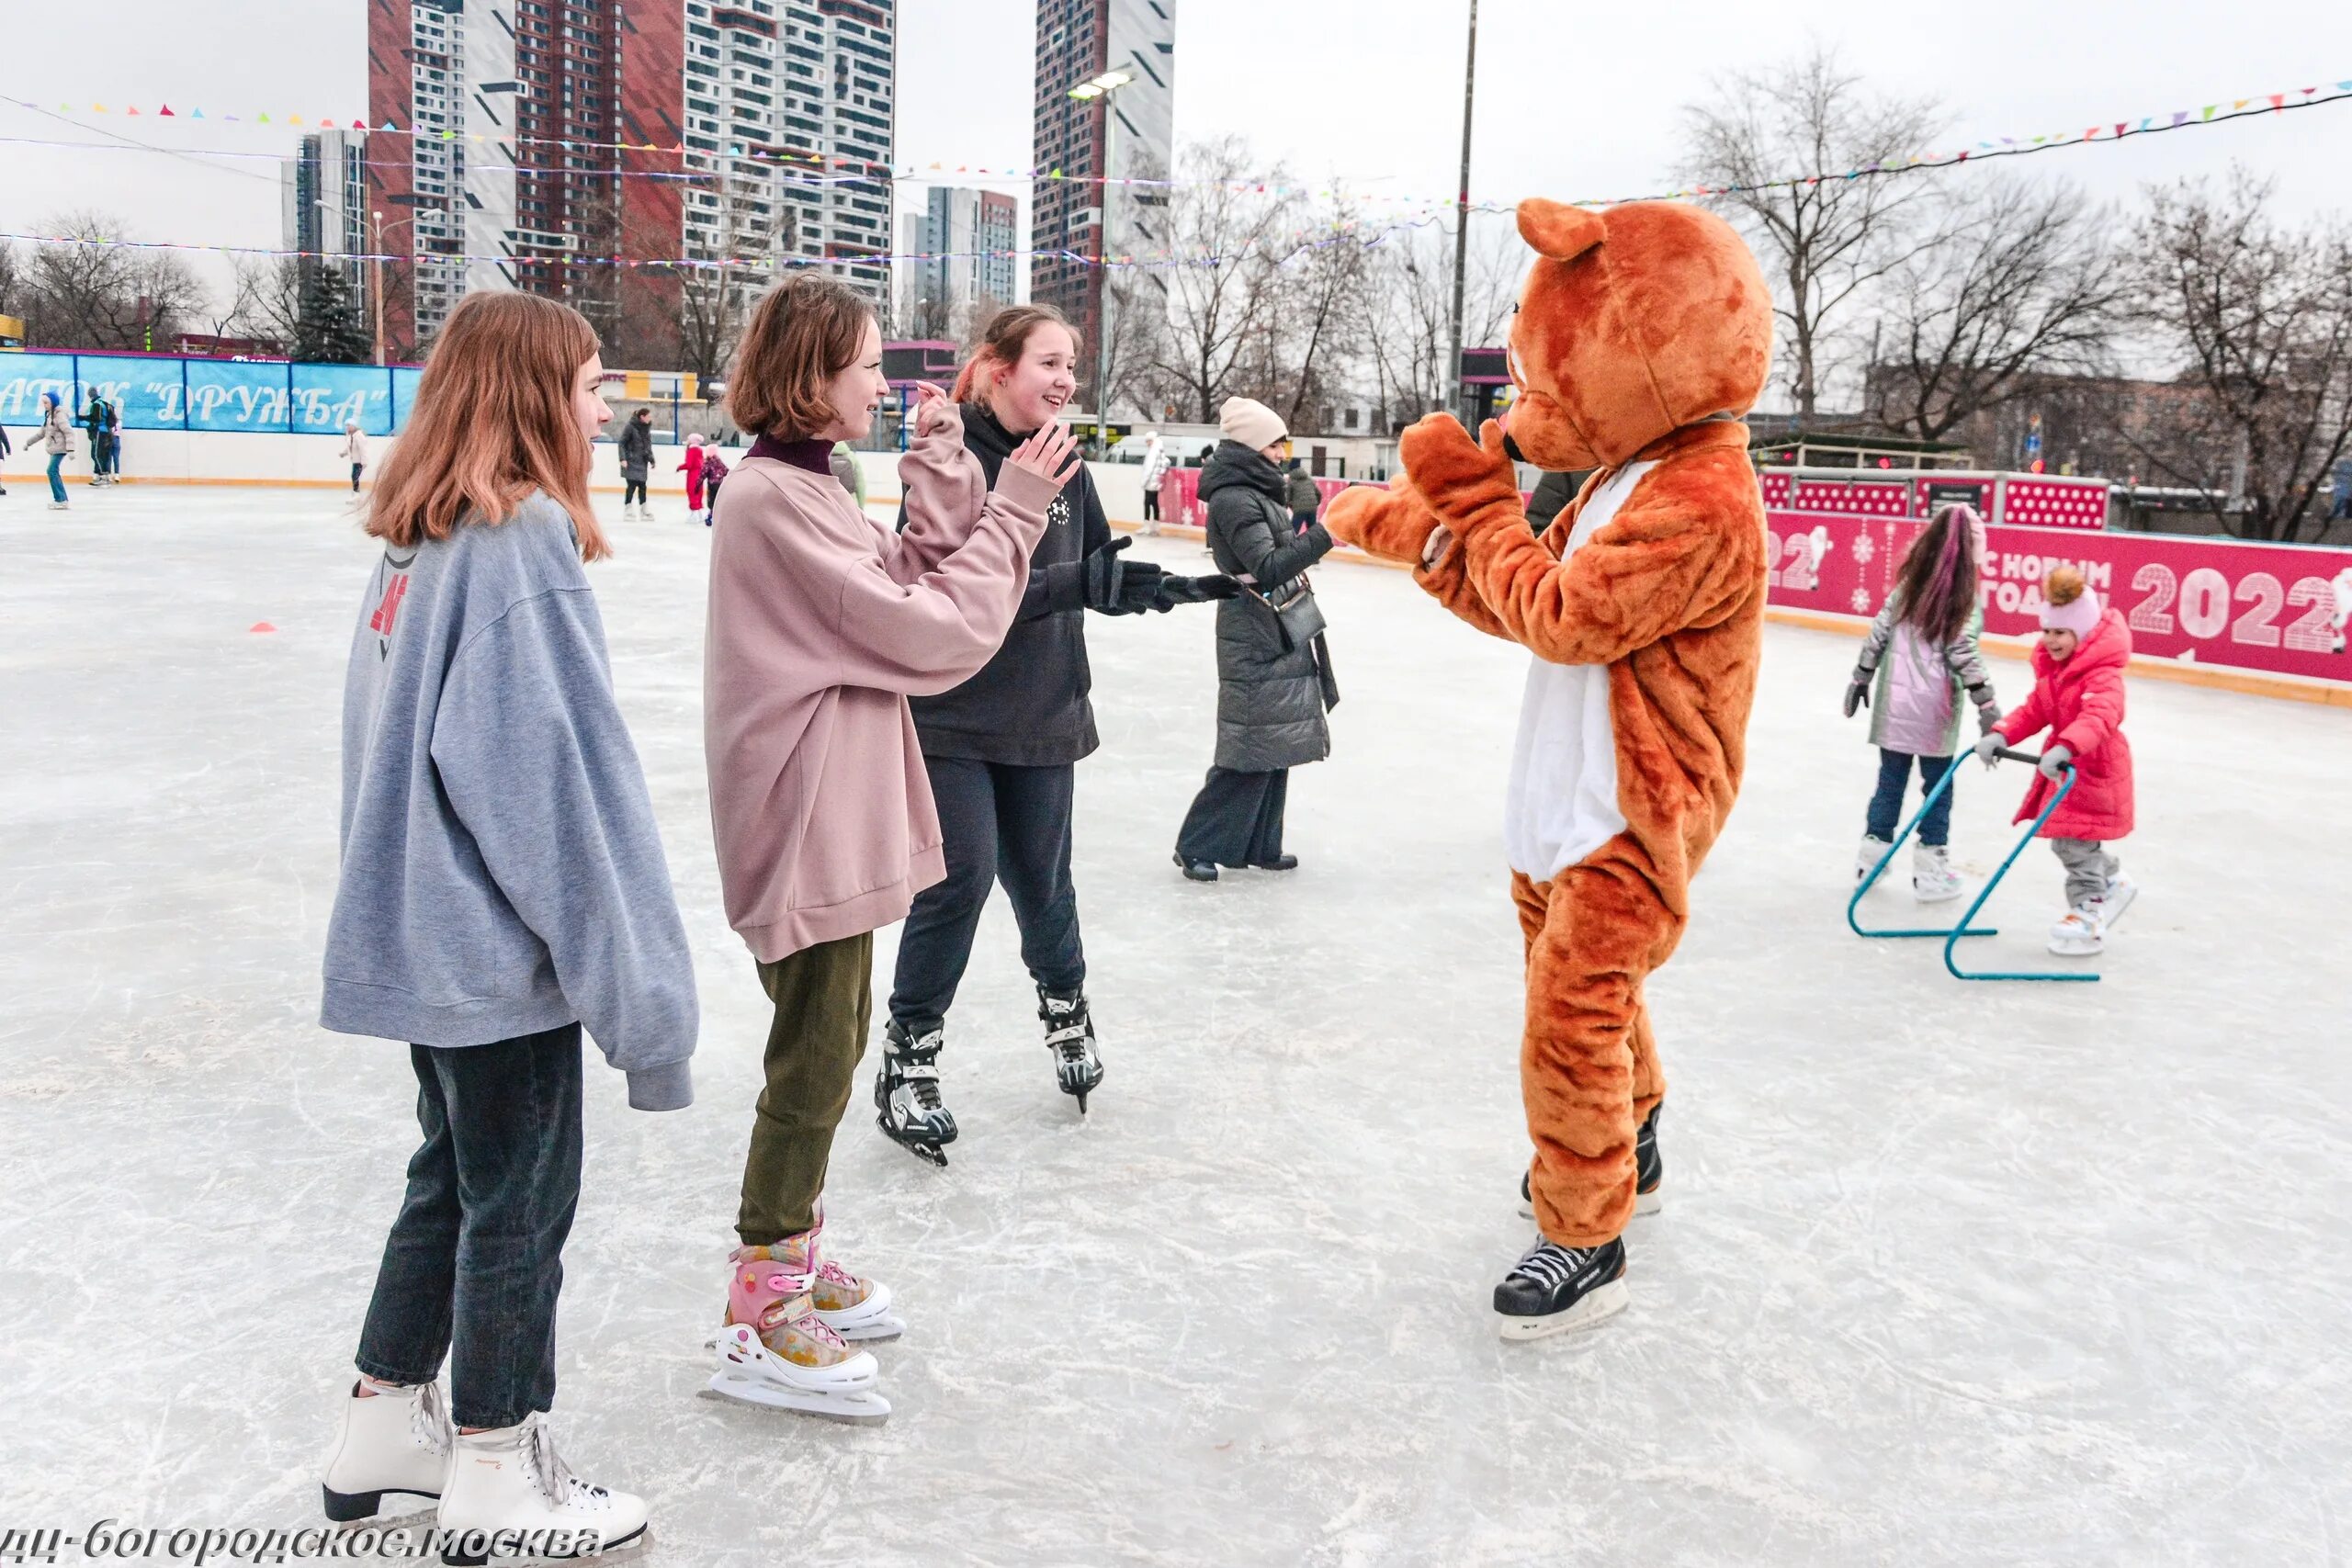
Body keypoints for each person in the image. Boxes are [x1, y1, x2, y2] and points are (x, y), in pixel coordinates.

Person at [314, 291, 696, 1554]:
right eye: (591, 384)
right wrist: (642, 1002)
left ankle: (382, 1419)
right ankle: (494, 1454)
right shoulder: (515, 541)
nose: (607, 409)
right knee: (521, 1198)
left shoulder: (418, 540)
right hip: (488, 953)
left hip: (426, 943)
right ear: (535, 396)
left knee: (458, 1178)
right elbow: (559, 800)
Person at [704, 274, 1076, 1416]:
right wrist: (1014, 505)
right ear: (812, 377)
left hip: (835, 809)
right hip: (802, 814)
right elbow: (928, 635)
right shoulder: (770, 499)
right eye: (866, 364)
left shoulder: (812, 486)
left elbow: (909, 572)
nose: (882, 380)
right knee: (813, 1062)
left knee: (840, 1034)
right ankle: (760, 1305)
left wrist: (947, 471)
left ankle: (798, 1254)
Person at [875, 304, 1235, 1164]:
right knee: (955, 882)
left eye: (1071, 363)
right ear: (996, 368)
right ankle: (908, 1056)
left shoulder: (1065, 462)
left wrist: (1141, 586)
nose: (1065, 378)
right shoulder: (947, 455)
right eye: (1048, 361)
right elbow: (954, 585)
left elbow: (1088, 572)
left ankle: (1066, 1008)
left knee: (1043, 886)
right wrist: (1078, 582)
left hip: (1043, 708)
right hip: (951, 711)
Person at [1174, 398, 1338, 881]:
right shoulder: (1234, 497)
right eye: (1273, 442)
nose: (1281, 451)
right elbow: (1267, 569)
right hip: (1252, 627)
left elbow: (1280, 554)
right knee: (1248, 744)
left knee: (1276, 743)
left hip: (1276, 623)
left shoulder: (1262, 492)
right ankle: (1195, 845)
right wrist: (1328, 534)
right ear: (1249, 445)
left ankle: (1261, 844)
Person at [1973, 564, 2137, 955]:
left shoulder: (2103, 675)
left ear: (2083, 633)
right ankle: (2112, 881)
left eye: (2061, 632)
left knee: (2074, 844)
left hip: (2093, 770)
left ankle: (2089, 912)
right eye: (2046, 630)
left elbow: (2100, 716)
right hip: (2068, 769)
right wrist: (2001, 733)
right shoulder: (2056, 673)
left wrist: (2067, 745)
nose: (2051, 639)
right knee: (2071, 842)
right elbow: (2035, 710)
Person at [1844, 503, 1999, 900]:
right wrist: (1986, 703)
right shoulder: (1963, 599)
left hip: (1893, 709)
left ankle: (1870, 862)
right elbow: (1962, 649)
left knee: (1889, 784)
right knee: (1937, 789)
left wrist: (1861, 677)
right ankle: (1931, 872)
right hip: (1934, 714)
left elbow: (1878, 634)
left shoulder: (1907, 588)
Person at [31, 391, 72, 510]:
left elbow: (68, 432)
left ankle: (61, 499)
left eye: (46, 402)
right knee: (53, 471)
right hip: (54, 448)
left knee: (51, 470)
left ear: (53, 402)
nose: (44, 405)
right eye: (43, 403)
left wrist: (71, 449)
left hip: (60, 448)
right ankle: (62, 499)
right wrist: (29, 443)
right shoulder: (49, 415)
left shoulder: (59, 415)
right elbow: (41, 433)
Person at [616, 407, 654, 518]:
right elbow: (622, 443)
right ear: (642, 417)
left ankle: (644, 509)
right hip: (631, 461)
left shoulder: (646, 428)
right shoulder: (630, 427)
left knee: (643, 486)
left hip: (642, 462)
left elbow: (647, 445)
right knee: (631, 486)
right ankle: (628, 509)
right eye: (648, 416)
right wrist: (623, 459)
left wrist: (652, 459)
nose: (650, 418)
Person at [1283, 453, 1322, 534]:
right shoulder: (1309, 479)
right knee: (1312, 531)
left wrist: (1284, 509)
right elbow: (1318, 493)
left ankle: (1291, 545)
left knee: (1294, 530)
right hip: (1312, 507)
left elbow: (1287, 498)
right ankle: (1314, 546)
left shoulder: (1291, 481)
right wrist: (1315, 503)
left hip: (1300, 508)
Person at [84, 390, 116, 486]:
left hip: (100, 431)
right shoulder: (104, 403)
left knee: (96, 454)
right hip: (106, 431)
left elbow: (95, 419)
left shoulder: (97, 404)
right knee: (100, 454)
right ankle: (99, 474)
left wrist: (90, 427)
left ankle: (103, 476)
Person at [1139, 429, 1170, 524]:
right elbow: (1166, 462)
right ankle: (1156, 525)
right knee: (1154, 503)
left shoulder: (1153, 451)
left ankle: (1147, 525)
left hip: (1151, 482)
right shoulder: (1160, 449)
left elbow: (1149, 468)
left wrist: (1143, 482)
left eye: (1148, 441)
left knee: (1147, 503)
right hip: (1156, 482)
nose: (1147, 443)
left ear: (1152, 440)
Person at [678, 431, 708, 524]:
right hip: (700, 475)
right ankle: (699, 514)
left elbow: (689, 464)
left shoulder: (691, 450)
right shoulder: (700, 450)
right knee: (698, 493)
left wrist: (680, 467)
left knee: (692, 492)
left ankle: (694, 514)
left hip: (693, 475)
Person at [340, 421, 368, 493]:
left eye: (349, 425)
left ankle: (357, 494)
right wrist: (344, 453)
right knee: (354, 477)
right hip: (355, 461)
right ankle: (356, 493)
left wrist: (364, 461)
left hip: (359, 461)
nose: (347, 427)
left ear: (354, 426)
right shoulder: (351, 436)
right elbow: (351, 447)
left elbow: (363, 449)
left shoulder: (359, 435)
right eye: (346, 426)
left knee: (355, 476)